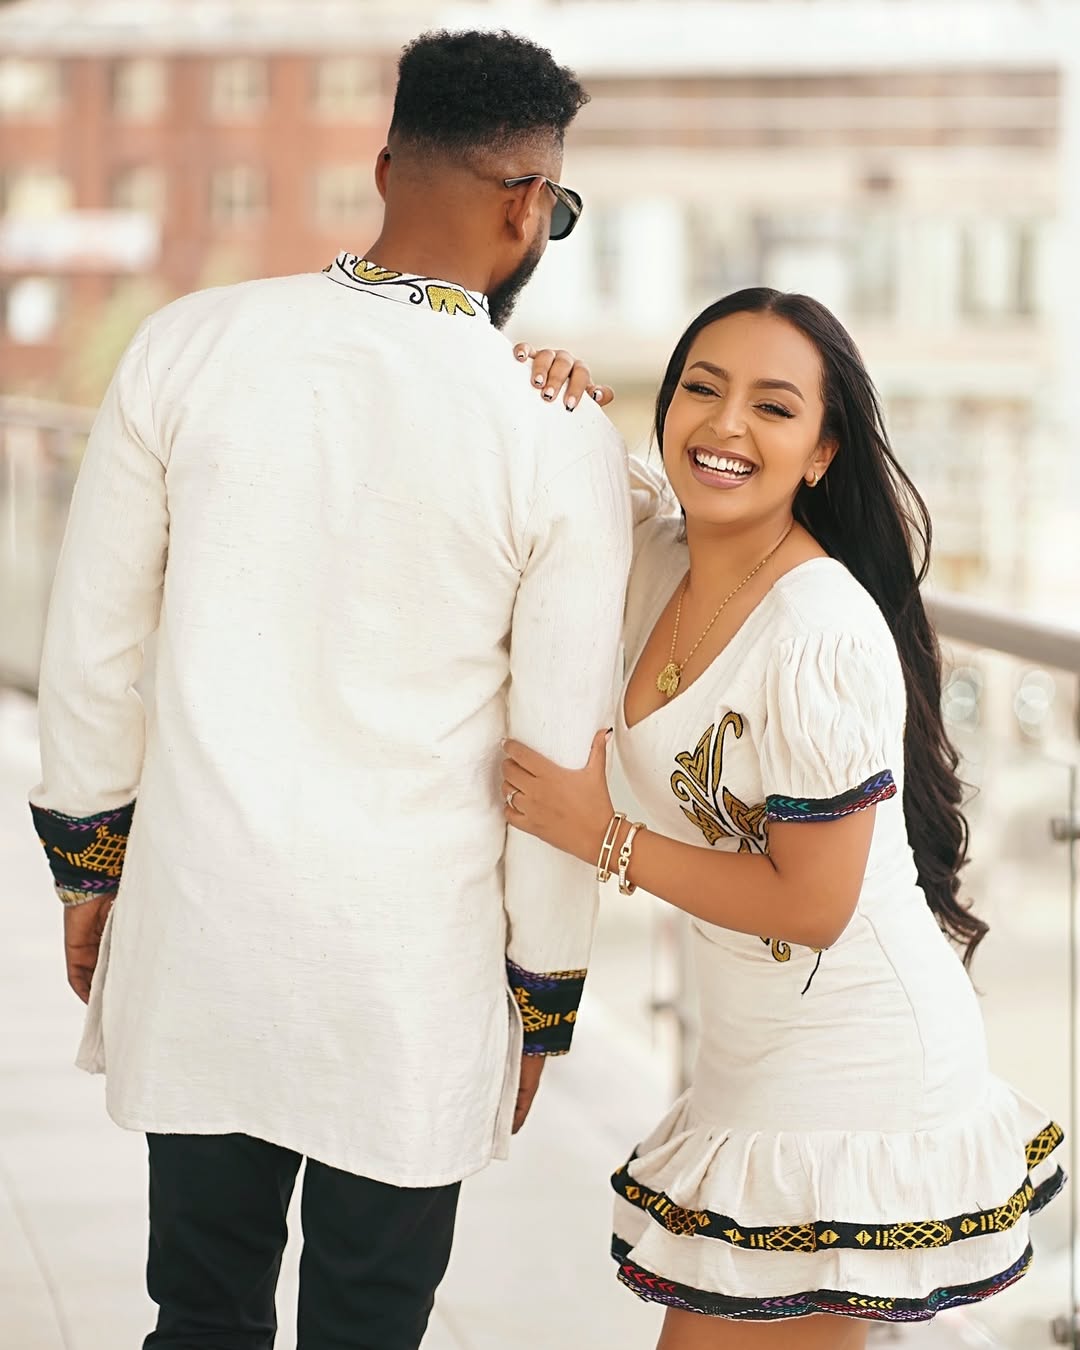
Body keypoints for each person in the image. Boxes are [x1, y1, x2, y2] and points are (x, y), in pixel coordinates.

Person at [28, 29, 631, 1350]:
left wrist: (90, 866)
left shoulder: (191, 345)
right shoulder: (555, 432)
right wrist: (546, 991)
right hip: (410, 979)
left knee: (199, 1312)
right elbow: (556, 755)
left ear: (381, 164)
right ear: (530, 206)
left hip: (203, 932)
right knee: (368, 1325)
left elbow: (92, 652)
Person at [505, 293, 1065, 1348]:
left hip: (857, 1063)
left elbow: (812, 903)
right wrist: (557, 395)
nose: (725, 428)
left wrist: (600, 837)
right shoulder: (658, 553)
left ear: (820, 452)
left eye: (772, 407)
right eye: (702, 390)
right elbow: (575, 470)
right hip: (752, 1052)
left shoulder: (820, 627)